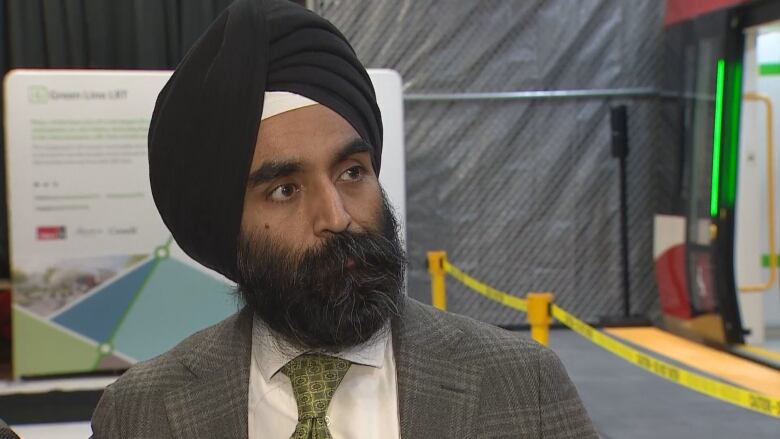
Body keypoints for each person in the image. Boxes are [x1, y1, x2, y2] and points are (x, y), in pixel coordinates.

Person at [91, 0, 598, 437]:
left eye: (352, 172)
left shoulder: (521, 386)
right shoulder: (141, 413)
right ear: (229, 229)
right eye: (285, 190)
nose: (337, 216)